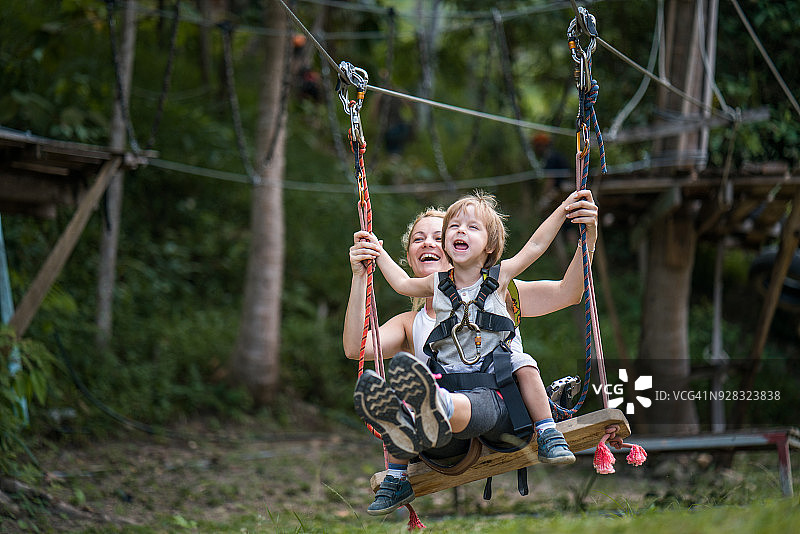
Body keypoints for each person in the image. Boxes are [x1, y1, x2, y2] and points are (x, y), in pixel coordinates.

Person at [344, 191, 597, 515]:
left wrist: (585, 235)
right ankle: (413, 422)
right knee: (411, 407)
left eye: (439, 236)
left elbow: (568, 291)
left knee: (500, 378)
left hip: (500, 409)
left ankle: (431, 406)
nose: (428, 243)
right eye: (419, 239)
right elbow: (356, 349)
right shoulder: (410, 324)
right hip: (441, 444)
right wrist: (362, 271)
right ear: (408, 256)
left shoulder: (500, 289)